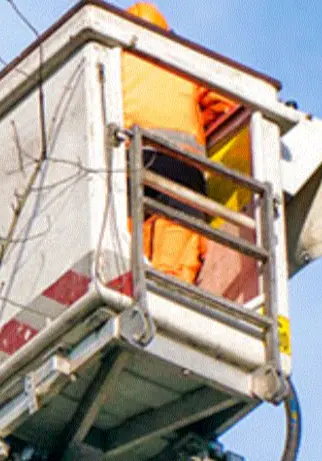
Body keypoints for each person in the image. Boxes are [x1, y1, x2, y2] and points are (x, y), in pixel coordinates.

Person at [121, 2, 238, 283]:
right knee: (177, 238)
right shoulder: (182, 60)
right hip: (178, 165)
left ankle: (132, 286)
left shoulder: (115, 55)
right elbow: (228, 105)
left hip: (124, 164)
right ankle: (169, 290)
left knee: (127, 239)